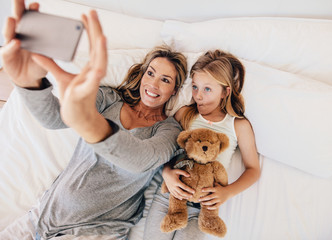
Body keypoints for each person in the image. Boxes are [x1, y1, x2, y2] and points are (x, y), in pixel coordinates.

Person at [0, 1, 188, 239]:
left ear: (174, 90)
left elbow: (141, 159)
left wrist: (88, 122)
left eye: (165, 80)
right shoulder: (109, 99)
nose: (153, 84)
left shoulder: (169, 131)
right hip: (40, 218)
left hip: (95, 233)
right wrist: (30, 85)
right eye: (150, 73)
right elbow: (55, 118)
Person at [144, 50, 261, 239]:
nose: (198, 96)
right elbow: (164, 149)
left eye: (207, 89)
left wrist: (227, 192)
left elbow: (253, 169)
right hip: (169, 198)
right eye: (195, 87)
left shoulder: (238, 125)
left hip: (203, 209)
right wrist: (167, 173)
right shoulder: (185, 114)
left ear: (225, 92)